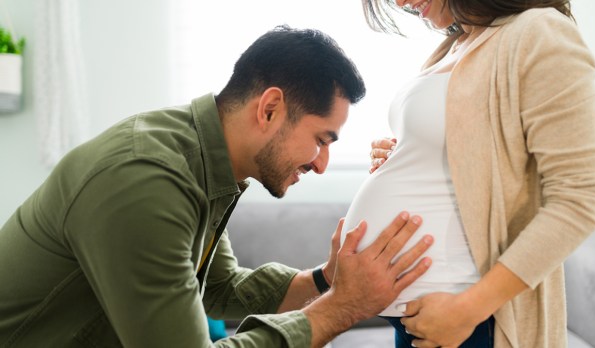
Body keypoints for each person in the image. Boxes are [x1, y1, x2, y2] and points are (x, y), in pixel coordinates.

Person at [0, 25, 435, 347]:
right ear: (269, 109)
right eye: (321, 140)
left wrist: (325, 279)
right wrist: (343, 306)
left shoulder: (204, 164)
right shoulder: (148, 178)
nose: (322, 164)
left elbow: (220, 289)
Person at [341, 1, 595, 347]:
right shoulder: (453, 45)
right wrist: (406, 155)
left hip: (468, 321)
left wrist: (467, 310)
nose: (400, 2)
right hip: (419, 319)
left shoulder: (539, 31)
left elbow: (581, 198)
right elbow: (477, 161)